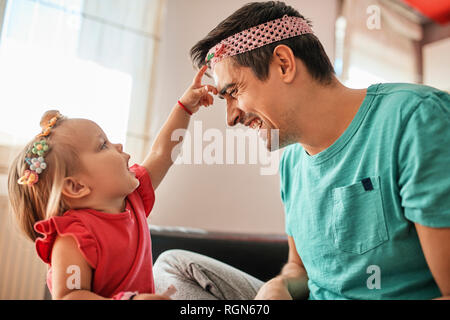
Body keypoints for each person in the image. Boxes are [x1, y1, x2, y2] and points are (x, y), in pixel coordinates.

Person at [153, 1, 450, 300]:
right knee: (173, 266)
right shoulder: (291, 163)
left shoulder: (416, 119)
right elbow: (299, 270)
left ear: (284, 63)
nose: (231, 118)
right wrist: (280, 285)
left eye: (233, 92)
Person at [7, 66, 218, 300]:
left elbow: (162, 153)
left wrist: (185, 108)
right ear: (76, 187)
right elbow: (71, 296)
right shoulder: (74, 237)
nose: (118, 145)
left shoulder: (132, 199)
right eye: (102, 145)